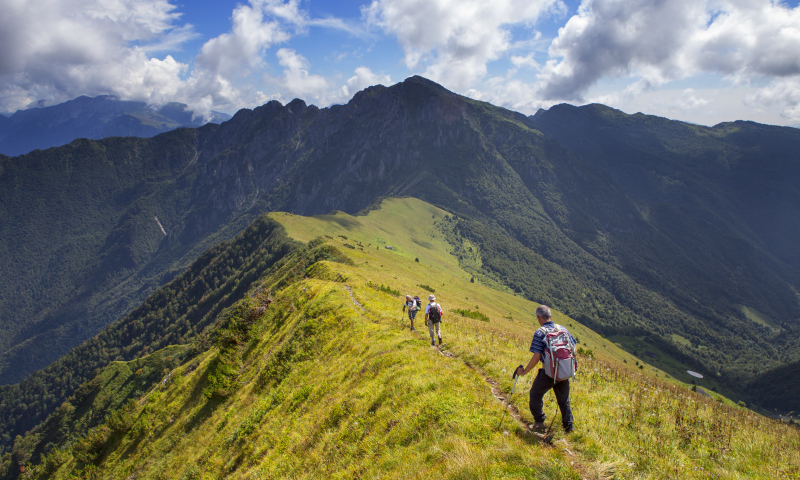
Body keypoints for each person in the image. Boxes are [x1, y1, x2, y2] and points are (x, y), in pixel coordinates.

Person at [514, 305, 576, 434]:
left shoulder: (540, 332)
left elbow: (537, 356)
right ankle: (569, 428)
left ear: (538, 317)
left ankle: (540, 423)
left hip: (548, 373)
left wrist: (524, 371)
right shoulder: (562, 329)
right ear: (550, 316)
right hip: (564, 371)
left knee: (535, 394)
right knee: (564, 400)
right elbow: (573, 347)